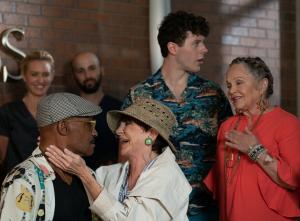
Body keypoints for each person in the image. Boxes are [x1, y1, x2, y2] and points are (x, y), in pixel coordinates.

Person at [122, 11, 232, 220]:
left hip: (206, 209)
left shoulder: (212, 95)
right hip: (155, 208)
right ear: (173, 48)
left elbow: (229, 148)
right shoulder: (139, 95)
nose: (204, 49)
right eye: (196, 43)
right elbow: (125, 154)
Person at [45, 98, 192, 221]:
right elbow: (89, 188)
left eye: (127, 124)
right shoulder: (110, 174)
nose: (117, 131)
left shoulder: (168, 177)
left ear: (151, 134)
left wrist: (84, 174)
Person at [204, 57, 300, 221]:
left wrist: (256, 150)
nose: (232, 90)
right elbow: (221, 186)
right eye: (229, 85)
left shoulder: (288, 124)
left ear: (262, 85)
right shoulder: (227, 127)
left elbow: (292, 179)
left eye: (239, 82)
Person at [0, 92, 102, 221]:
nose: (95, 132)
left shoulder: (87, 176)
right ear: (63, 127)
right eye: (90, 124)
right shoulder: (24, 180)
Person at [0, 50, 55, 183]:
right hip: (16, 190)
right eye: (34, 74)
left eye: (45, 74)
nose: (40, 80)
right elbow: (1, 159)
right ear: (24, 76)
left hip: (52, 189)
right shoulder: (8, 112)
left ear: (52, 76)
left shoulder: (62, 114)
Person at [71, 52, 121, 169]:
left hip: (113, 181)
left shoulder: (119, 109)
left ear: (101, 70)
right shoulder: (67, 112)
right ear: (74, 75)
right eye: (80, 71)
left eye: (92, 68)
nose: (87, 75)